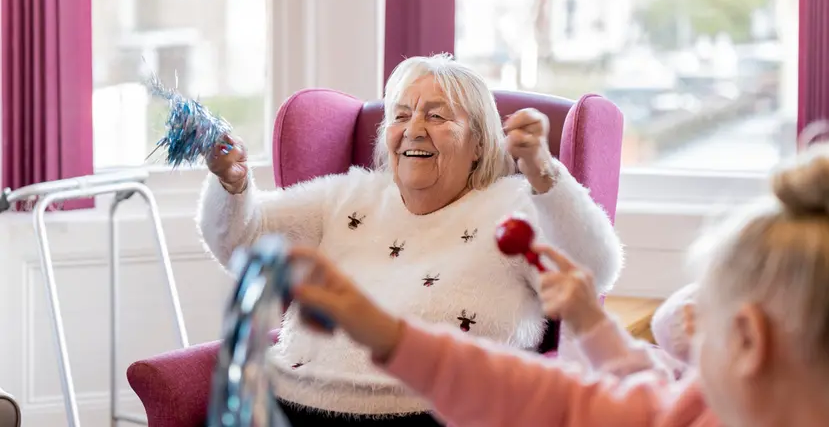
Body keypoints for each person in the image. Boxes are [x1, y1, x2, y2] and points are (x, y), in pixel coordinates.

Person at [289, 139, 829, 427]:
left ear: (747, 341)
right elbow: (633, 388)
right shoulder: (698, 405)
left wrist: (391, 336)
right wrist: (593, 322)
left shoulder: (696, 409)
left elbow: (545, 399)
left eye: (706, 324)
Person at [197, 54, 624, 424]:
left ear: (479, 142)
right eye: (401, 115)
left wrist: (543, 173)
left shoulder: (517, 205)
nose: (414, 129)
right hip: (286, 403)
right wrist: (234, 185)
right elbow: (244, 243)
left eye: (436, 116)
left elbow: (592, 273)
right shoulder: (347, 194)